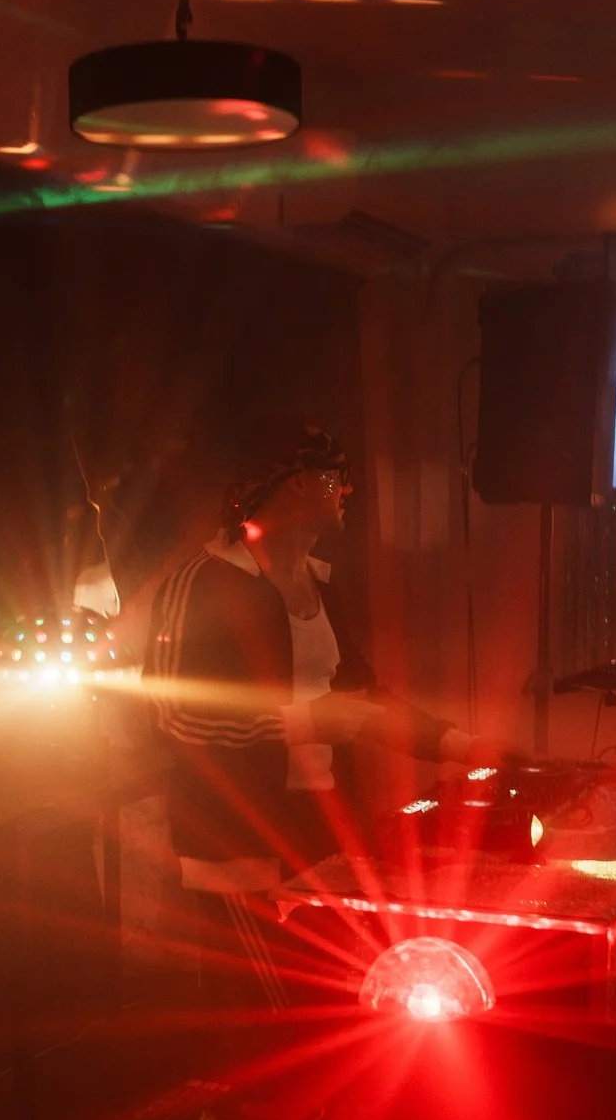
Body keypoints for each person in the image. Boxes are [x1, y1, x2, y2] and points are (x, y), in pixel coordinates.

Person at [145, 425, 477, 1006]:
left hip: (322, 831)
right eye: (336, 477)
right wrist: (301, 723)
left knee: (325, 1002)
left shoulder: (322, 584)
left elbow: (365, 700)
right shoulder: (197, 586)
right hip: (239, 845)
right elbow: (172, 715)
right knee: (259, 1012)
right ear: (298, 484)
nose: (347, 489)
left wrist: (461, 744)